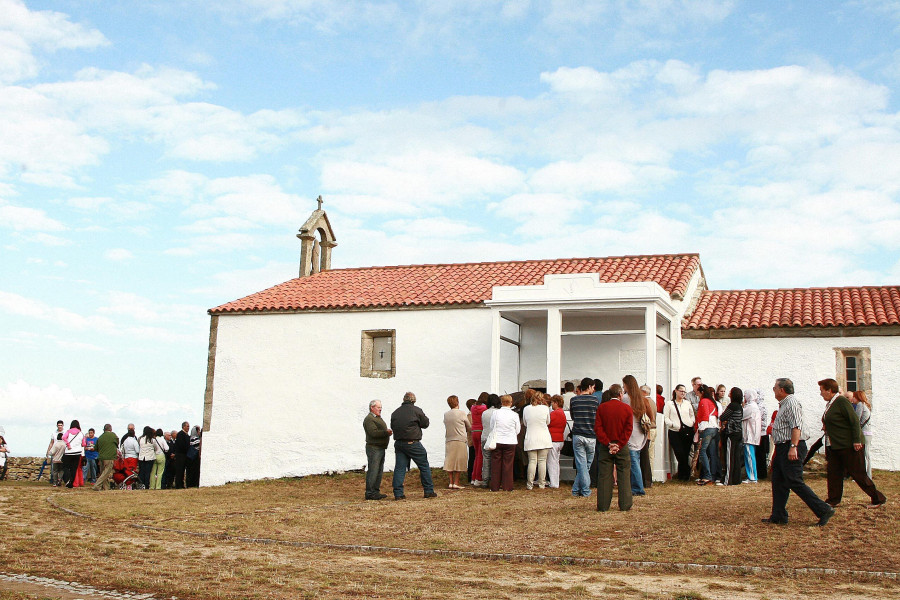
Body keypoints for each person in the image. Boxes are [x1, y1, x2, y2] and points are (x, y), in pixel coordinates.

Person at [763, 378, 834, 526]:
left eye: (775, 387)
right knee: (778, 481)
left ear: (782, 390)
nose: (773, 390)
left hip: (792, 445)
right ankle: (778, 515)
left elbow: (796, 426)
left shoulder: (792, 403)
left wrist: (793, 447)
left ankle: (823, 509)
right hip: (783, 446)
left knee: (794, 480)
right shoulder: (784, 404)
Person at [818, 379, 886, 509]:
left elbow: (854, 421)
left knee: (858, 473)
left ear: (829, 390)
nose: (820, 394)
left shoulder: (841, 401)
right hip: (835, 445)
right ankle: (833, 499)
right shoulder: (831, 403)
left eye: (822, 390)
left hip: (848, 445)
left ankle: (878, 498)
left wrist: (856, 440)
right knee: (834, 473)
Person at [390, 392, 437, 500]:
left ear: (404, 400)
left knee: (399, 468)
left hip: (399, 443)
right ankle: (428, 491)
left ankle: (398, 494)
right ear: (413, 400)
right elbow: (425, 423)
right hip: (412, 442)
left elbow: (393, 426)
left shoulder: (395, 412)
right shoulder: (416, 410)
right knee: (424, 466)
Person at [594, 383, 633, 512]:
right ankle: (625, 504)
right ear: (620, 394)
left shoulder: (602, 408)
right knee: (624, 474)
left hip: (606, 446)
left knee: (604, 475)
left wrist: (608, 443)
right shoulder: (627, 409)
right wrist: (620, 444)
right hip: (621, 445)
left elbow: (598, 428)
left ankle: (603, 505)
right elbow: (628, 429)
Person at [570, 377, 598, 498]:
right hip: (591, 435)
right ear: (590, 386)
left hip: (578, 434)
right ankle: (585, 490)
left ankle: (576, 490)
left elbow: (572, 415)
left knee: (581, 464)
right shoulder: (595, 401)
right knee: (586, 465)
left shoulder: (574, 400)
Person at [622, 375, 648, 497]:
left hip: (631, 432)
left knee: (633, 462)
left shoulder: (626, 398)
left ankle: (637, 487)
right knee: (636, 459)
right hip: (639, 432)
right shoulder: (639, 398)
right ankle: (637, 485)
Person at [489, 395, 520, 492]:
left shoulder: (496, 413)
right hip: (510, 441)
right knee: (508, 464)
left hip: (497, 440)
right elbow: (517, 429)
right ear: (511, 403)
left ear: (501, 402)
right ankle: (507, 486)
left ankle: (495, 486)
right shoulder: (514, 415)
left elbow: (491, 426)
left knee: (495, 464)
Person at [664, 384, 695, 481]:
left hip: (687, 430)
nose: (683, 393)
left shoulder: (687, 403)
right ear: (676, 391)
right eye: (681, 391)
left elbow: (692, 415)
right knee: (679, 453)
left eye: (684, 391)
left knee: (686, 453)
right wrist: (673, 425)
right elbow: (666, 418)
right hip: (675, 431)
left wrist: (691, 423)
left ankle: (683, 476)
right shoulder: (670, 404)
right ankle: (685, 472)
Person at [363, 399, 392, 500]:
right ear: (372, 407)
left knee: (379, 471)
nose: (380, 409)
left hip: (380, 448)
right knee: (374, 470)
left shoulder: (377, 418)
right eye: (378, 407)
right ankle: (370, 493)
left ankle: (375, 491)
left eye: (381, 408)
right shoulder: (369, 419)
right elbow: (373, 433)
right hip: (374, 448)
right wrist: (386, 432)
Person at [523, 391, 552, 490]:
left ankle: (529, 484)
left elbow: (525, 423)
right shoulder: (545, 408)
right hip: (543, 437)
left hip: (531, 437)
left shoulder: (526, 409)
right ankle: (542, 483)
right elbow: (548, 422)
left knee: (532, 461)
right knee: (542, 461)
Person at [443, 395, 470, 489]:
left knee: (449, 460)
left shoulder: (446, 414)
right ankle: (456, 482)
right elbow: (469, 426)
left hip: (449, 439)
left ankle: (450, 482)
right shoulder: (462, 413)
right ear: (457, 402)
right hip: (460, 439)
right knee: (459, 460)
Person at [719, 388, 744, 486]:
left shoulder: (732, 405)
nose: (728, 393)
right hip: (738, 433)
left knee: (729, 457)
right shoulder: (739, 406)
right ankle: (736, 479)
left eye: (730, 392)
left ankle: (727, 480)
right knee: (736, 457)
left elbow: (723, 417)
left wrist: (725, 420)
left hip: (731, 434)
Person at [695, 385, 719, 485]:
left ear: (701, 392)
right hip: (714, 428)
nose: (696, 394)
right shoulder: (712, 401)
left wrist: (700, 429)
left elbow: (704, 416)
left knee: (702, 452)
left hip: (707, 428)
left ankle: (707, 476)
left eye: (697, 392)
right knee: (712, 453)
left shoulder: (704, 401)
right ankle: (712, 476)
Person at [849, 391, 875, 479]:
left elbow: (856, 419)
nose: (852, 399)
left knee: (864, 454)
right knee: (866, 454)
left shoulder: (860, 405)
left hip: (864, 433)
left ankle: (866, 475)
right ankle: (867, 475)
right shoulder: (865, 405)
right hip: (867, 432)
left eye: (854, 397)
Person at [478, 394, 500, 487]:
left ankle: (485, 480)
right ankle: (495, 479)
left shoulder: (485, 412)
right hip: (495, 438)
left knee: (486, 459)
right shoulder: (499, 412)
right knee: (496, 459)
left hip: (485, 436)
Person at [547, 395, 567, 488]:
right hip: (560, 439)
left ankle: (554, 483)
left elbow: (547, 423)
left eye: (552, 403)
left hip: (553, 439)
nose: (551, 405)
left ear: (556, 403)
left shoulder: (554, 414)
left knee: (552, 462)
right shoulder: (562, 413)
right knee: (556, 461)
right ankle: (556, 481)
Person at [741, 389, 761, 483]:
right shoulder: (753, 406)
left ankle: (752, 477)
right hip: (751, 434)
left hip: (750, 435)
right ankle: (751, 475)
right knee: (749, 455)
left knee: (749, 455)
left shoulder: (750, 407)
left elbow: (742, 415)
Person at [92, 424, 119, 491]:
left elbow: (96, 448)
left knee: (103, 473)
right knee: (106, 473)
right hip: (109, 457)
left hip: (101, 457)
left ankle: (106, 487)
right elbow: (117, 442)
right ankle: (97, 485)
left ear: (104, 429)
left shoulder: (100, 437)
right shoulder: (113, 435)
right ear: (111, 429)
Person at [469, 393, 488, 487]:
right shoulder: (485, 408)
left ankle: (473, 477)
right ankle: (478, 478)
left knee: (476, 455)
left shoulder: (473, 407)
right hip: (481, 430)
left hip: (474, 431)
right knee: (481, 456)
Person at [62, 420, 84, 488]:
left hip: (68, 452)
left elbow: (63, 437)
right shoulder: (81, 433)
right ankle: (71, 483)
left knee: (66, 467)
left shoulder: (68, 432)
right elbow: (83, 444)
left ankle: (67, 479)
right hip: (77, 453)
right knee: (74, 468)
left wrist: (68, 445)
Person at [755, 388, 770, 480]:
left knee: (760, 454)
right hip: (762, 432)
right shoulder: (762, 405)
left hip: (760, 433)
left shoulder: (759, 406)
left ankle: (761, 473)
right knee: (761, 454)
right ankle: (761, 473)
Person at [173, 422, 190, 489]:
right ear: (183, 427)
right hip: (180, 455)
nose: (188, 428)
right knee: (179, 470)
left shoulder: (186, 435)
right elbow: (181, 445)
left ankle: (181, 484)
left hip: (184, 455)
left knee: (182, 470)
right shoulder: (180, 434)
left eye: (189, 426)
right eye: (187, 426)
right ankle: (178, 484)